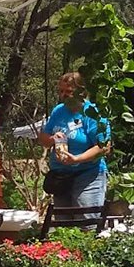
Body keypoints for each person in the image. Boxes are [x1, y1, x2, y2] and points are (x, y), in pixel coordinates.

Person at [35, 71, 111, 209]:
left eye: (68, 91)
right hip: (61, 178)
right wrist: (52, 139)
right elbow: (43, 139)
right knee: (64, 225)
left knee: (86, 223)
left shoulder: (92, 113)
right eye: (61, 91)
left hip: (87, 175)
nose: (64, 95)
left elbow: (104, 147)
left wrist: (77, 159)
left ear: (80, 91)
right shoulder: (58, 111)